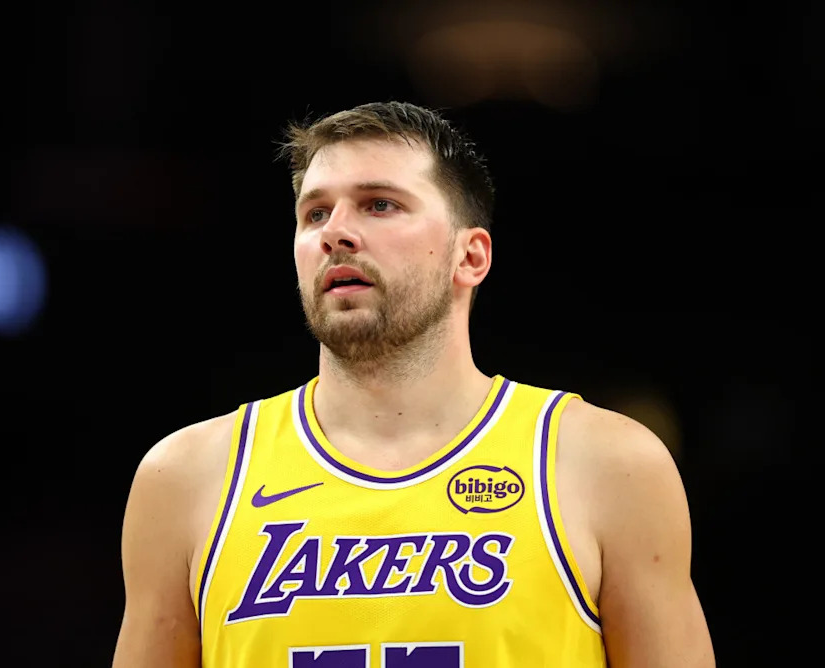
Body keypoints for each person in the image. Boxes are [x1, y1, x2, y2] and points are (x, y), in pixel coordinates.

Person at [111, 101, 714, 667]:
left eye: (379, 205)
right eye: (315, 213)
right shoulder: (186, 477)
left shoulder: (607, 465)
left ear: (469, 257)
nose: (335, 233)